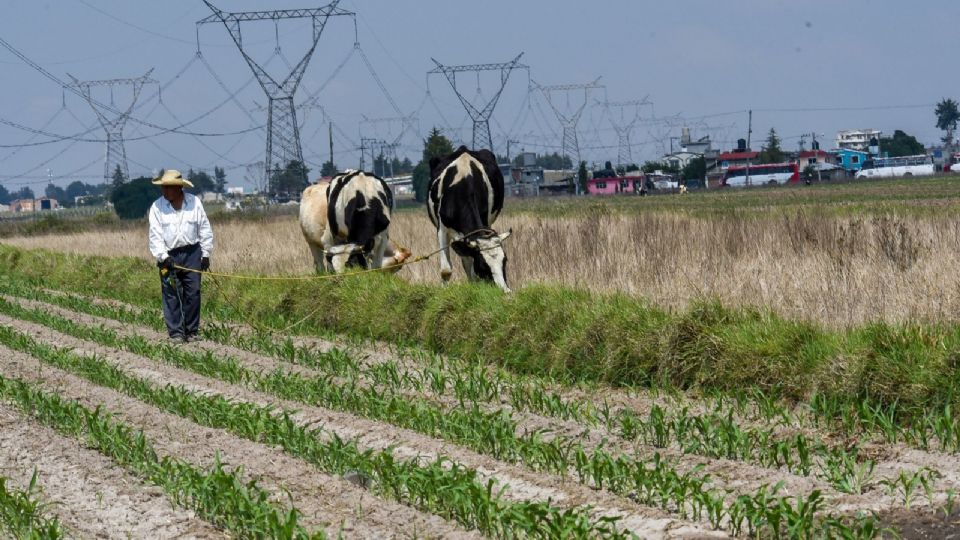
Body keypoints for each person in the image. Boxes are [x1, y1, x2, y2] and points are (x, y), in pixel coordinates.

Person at [147, 169, 214, 343]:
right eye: (164, 187)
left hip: (192, 253)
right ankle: (176, 332)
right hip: (168, 255)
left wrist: (205, 253)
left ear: (179, 188)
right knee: (171, 293)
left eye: (169, 187)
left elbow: (204, 228)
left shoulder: (195, 203)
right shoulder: (157, 207)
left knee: (194, 292)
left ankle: (191, 331)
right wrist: (163, 257)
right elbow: (155, 236)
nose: (165, 191)